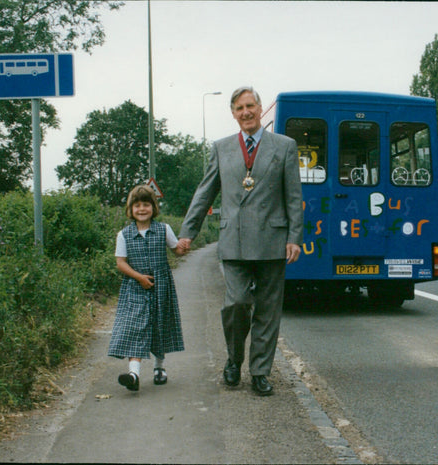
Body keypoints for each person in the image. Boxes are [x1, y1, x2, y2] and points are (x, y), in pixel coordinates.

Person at [177, 86, 303, 396]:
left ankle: (260, 371)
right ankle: (233, 360)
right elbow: (205, 192)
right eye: (239, 108)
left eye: (250, 106)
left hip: (273, 241)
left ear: (260, 109)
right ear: (233, 114)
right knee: (236, 304)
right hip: (233, 242)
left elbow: (293, 196)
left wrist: (294, 237)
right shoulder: (221, 148)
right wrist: (187, 232)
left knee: (268, 311)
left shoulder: (285, 146)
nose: (245, 112)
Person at [108, 185, 187, 392]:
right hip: (135, 288)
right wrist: (138, 277)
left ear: (153, 207)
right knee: (136, 327)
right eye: (137, 205)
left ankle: (159, 368)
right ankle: (133, 374)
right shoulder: (124, 234)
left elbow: (176, 250)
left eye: (146, 205)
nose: (142, 209)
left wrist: (184, 246)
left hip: (161, 286)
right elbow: (121, 262)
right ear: (130, 209)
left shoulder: (164, 229)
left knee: (159, 325)